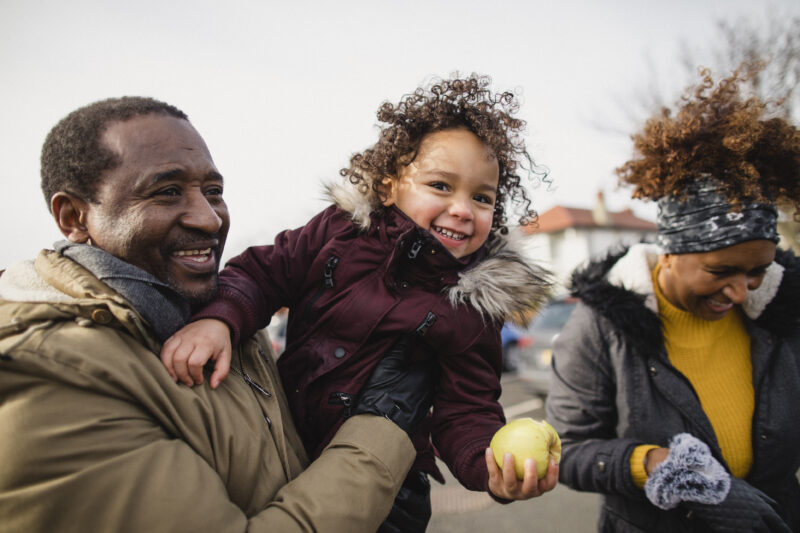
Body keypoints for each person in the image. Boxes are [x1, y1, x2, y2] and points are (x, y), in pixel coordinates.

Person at [0, 96, 438, 533]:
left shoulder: (215, 317)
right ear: (74, 217)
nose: (209, 219)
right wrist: (380, 433)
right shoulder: (48, 376)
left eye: (214, 192)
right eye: (168, 192)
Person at [160, 75, 559, 531]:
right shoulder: (338, 233)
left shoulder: (475, 305)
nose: (464, 209)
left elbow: (467, 408)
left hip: (389, 491)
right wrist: (220, 320)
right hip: (286, 450)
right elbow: (262, 272)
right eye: (441, 186)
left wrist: (488, 465)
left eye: (482, 197)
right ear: (389, 187)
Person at [546, 67, 800, 532]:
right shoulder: (601, 327)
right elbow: (568, 450)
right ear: (670, 253)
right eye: (721, 271)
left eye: (757, 271)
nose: (742, 291)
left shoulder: (785, 314)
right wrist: (667, 468)